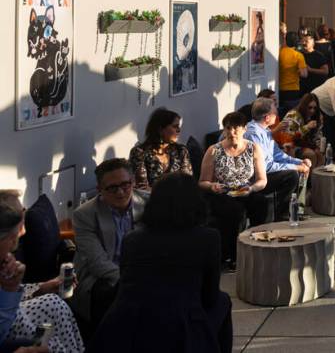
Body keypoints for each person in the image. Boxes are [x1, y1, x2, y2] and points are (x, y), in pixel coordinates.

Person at [91, 174, 232, 353]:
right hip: (180, 324)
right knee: (223, 301)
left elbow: (124, 283)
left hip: (127, 321)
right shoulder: (208, 238)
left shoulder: (133, 239)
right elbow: (209, 296)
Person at [0, 192, 84, 353]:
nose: (23, 231)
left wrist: (42, 288)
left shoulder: (5, 258)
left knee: (53, 303)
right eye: (19, 220)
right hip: (8, 327)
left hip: (12, 315)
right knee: (45, 336)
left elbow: (6, 299)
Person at [72, 159, 146, 329]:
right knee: (110, 294)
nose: (120, 192)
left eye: (125, 185)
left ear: (133, 182)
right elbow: (98, 263)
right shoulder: (84, 214)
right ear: (99, 190)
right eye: (112, 188)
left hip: (139, 270)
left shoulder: (147, 203)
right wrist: (133, 282)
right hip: (101, 276)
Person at [199, 112, 269, 268]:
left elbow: (262, 180)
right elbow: (203, 182)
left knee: (260, 203)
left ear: (244, 129)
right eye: (228, 128)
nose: (231, 132)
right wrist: (212, 186)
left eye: (236, 128)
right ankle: (233, 255)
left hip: (245, 189)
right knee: (234, 211)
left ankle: (259, 244)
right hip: (222, 192)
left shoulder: (253, 148)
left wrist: (251, 188)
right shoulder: (214, 150)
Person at [244, 98, 311, 221]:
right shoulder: (254, 134)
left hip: (265, 173)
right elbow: (266, 166)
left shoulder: (265, 130)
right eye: (275, 113)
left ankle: (294, 210)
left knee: (298, 170)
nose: (277, 115)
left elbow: (277, 155)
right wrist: (295, 167)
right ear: (267, 117)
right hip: (255, 178)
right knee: (291, 175)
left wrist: (299, 162)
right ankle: (282, 215)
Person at [129, 108, 192, 191]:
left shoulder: (181, 150)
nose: (179, 130)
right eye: (175, 126)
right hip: (151, 200)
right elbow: (142, 187)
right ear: (160, 129)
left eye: (178, 127)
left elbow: (187, 181)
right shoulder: (139, 152)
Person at [279, 93, 324, 165]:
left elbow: (318, 135)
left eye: (315, 108)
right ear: (304, 106)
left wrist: (319, 144)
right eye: (310, 107)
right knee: (311, 154)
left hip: (307, 143)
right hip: (292, 144)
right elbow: (289, 136)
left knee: (320, 153)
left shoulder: (317, 116)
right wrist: (307, 127)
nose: (312, 111)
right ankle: (310, 176)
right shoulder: (294, 115)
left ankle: (317, 175)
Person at [278, 32, 308, 114]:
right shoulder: (298, 55)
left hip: (279, 88)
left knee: (281, 112)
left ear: (286, 40)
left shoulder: (279, 52)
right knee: (291, 114)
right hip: (293, 89)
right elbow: (304, 74)